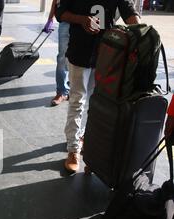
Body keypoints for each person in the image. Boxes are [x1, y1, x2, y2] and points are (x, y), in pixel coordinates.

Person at [56, 0, 141, 173]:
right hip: (80, 51)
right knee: (77, 100)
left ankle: (86, 141)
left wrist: (142, 31)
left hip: (107, 53)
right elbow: (60, 13)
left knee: (96, 103)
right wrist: (81, 19)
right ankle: (73, 150)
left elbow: (129, 12)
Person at [45, 0, 70, 106]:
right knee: (62, 58)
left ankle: (72, 90)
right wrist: (50, 18)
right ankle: (62, 92)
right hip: (66, 21)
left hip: (83, 21)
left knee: (78, 58)